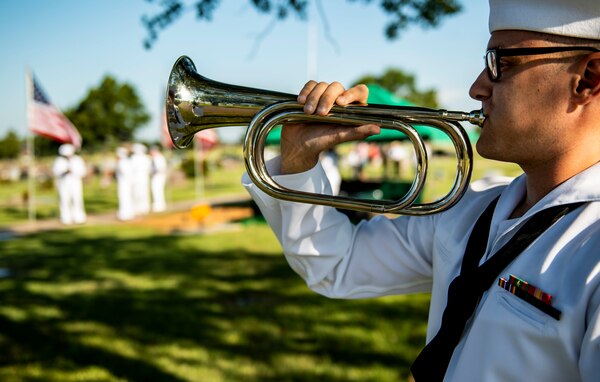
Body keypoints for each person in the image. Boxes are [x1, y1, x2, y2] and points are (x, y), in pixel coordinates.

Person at [242, 0, 600, 380]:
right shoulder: (472, 209)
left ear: (587, 79)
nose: (477, 87)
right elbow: (337, 264)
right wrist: (299, 162)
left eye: (502, 63)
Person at [52, 143, 87, 225]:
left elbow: (82, 172)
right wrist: (64, 171)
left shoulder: (77, 160)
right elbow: (55, 171)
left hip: (75, 183)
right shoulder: (59, 161)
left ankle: (79, 217)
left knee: (77, 199)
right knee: (64, 200)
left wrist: (73, 171)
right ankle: (66, 218)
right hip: (63, 183)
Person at [130, 143, 152, 216]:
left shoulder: (145, 158)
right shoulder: (134, 158)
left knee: (143, 192)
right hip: (137, 177)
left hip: (142, 177)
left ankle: (144, 207)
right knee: (137, 192)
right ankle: (138, 208)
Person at [115, 146, 134, 221]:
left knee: (123, 197)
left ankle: (124, 214)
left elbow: (124, 173)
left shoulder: (122, 162)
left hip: (124, 183)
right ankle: (128, 213)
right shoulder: (127, 161)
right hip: (127, 182)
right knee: (127, 197)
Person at [149, 146, 168, 212]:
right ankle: (158, 205)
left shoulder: (159, 158)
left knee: (157, 190)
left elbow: (159, 168)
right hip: (156, 176)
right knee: (156, 191)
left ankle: (159, 206)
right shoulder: (155, 158)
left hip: (159, 176)